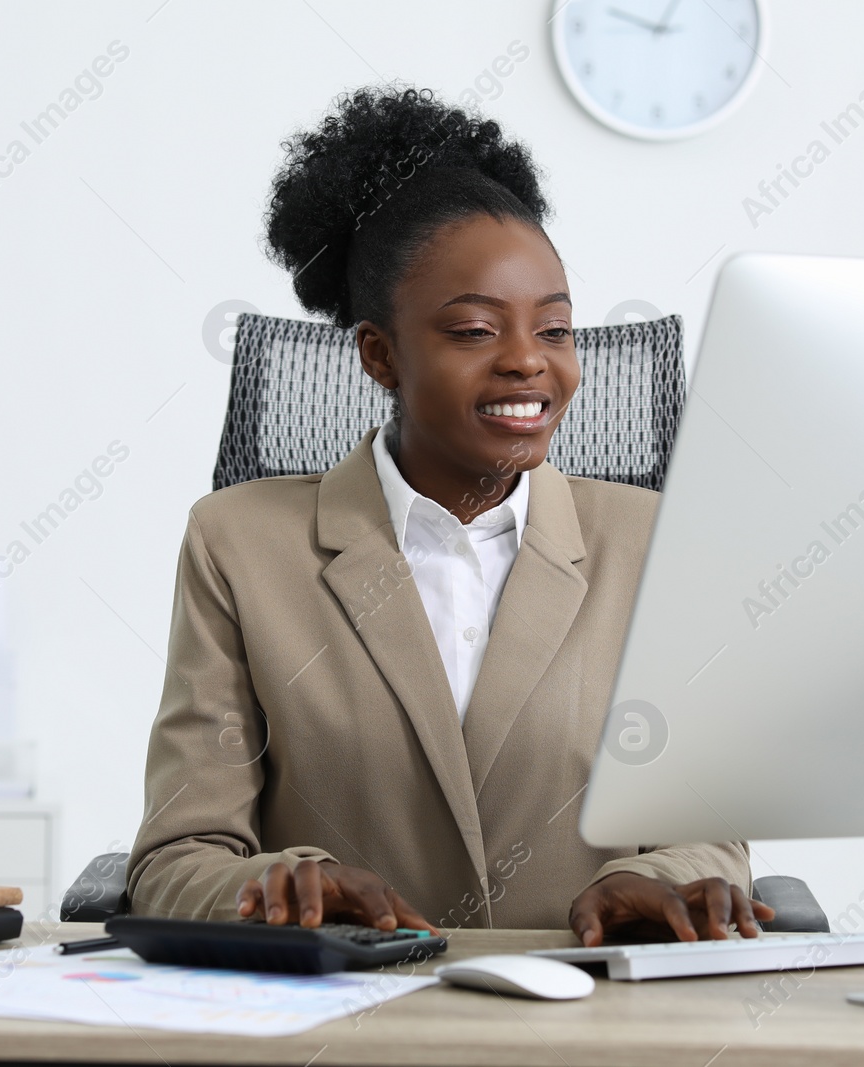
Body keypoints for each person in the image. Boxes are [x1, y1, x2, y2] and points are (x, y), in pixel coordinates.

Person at [128, 85, 771, 947]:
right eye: (474, 332)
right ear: (379, 353)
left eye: (555, 331)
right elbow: (179, 857)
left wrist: (649, 878)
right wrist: (279, 884)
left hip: (593, 1014)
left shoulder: (655, 541)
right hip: (347, 1016)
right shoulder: (238, 543)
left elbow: (706, 834)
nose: (527, 364)